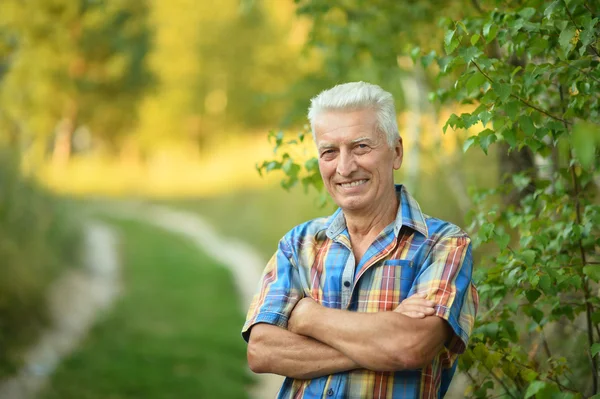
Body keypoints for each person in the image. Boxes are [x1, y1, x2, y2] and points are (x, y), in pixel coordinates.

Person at [242, 82, 478, 398]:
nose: (345, 167)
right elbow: (262, 352)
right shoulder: (298, 245)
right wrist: (382, 340)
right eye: (329, 151)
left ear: (396, 151)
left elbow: (409, 348)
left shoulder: (445, 245)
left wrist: (308, 317)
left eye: (361, 147)